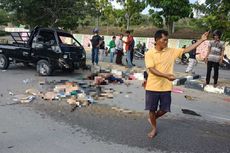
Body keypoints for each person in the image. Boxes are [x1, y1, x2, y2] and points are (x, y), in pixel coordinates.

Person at [145, 30, 209, 138]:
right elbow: (151, 69)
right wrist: (166, 76)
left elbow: (187, 49)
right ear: (157, 40)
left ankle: (152, 118)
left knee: (165, 109)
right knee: (152, 109)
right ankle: (154, 128)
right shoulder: (149, 53)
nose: (166, 42)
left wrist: (201, 40)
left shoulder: (171, 51)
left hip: (166, 87)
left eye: (167, 40)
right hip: (152, 86)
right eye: (164, 40)